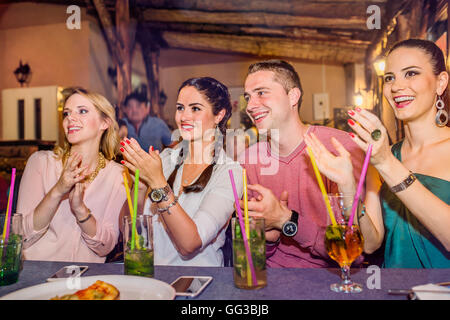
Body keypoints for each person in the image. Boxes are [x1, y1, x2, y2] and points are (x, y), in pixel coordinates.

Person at [305, 39, 450, 268]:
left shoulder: (384, 158)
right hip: (393, 289)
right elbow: (371, 243)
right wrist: (348, 188)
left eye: (411, 73)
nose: (396, 86)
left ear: (440, 82)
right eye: (390, 77)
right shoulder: (383, 155)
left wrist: (387, 164)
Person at [238, 60, 365, 268]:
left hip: (330, 282)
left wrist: (287, 221)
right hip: (270, 284)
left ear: (293, 96)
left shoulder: (339, 147)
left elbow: (354, 252)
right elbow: (253, 256)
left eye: (261, 93)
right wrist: (270, 239)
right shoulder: (249, 160)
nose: (250, 106)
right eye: (247, 97)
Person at [120, 77, 243, 266]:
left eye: (195, 108)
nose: (184, 117)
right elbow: (126, 231)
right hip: (152, 278)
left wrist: (158, 183)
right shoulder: (163, 159)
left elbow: (190, 243)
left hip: (198, 283)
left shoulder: (229, 173)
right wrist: (140, 187)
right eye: (180, 108)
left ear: (219, 115)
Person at [16, 88, 126, 263]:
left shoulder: (118, 175)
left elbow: (106, 246)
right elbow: (21, 234)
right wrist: (58, 190)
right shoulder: (41, 162)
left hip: (87, 281)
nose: (70, 119)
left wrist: (80, 210)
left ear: (104, 123)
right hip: (37, 275)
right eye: (66, 114)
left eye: (82, 111)